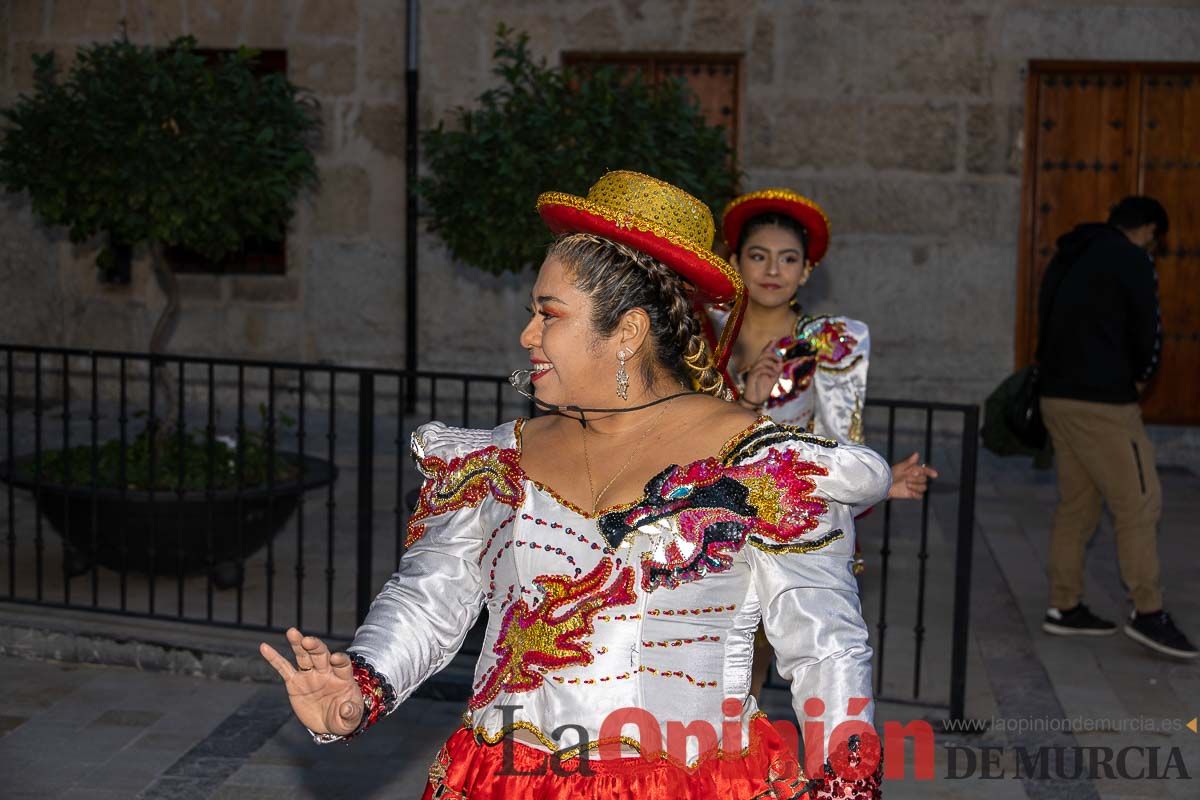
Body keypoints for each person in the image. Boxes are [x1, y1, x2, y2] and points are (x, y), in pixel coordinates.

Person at [260, 171, 891, 797]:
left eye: (548, 314)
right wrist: (358, 689)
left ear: (627, 333)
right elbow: (429, 598)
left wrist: (846, 785)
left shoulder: (761, 467)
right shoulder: (493, 461)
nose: (527, 335)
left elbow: (826, 648)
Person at [711, 188, 939, 696]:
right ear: (734, 261)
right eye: (758, 256)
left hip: (779, 527)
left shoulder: (829, 344)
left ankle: (734, 770)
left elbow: (836, 444)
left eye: (789, 258)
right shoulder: (698, 332)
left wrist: (876, 482)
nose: (773, 269)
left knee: (746, 670)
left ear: (806, 271)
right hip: (694, 515)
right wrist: (745, 403)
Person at [1037, 195, 1197, 660]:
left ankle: (1064, 605)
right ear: (1147, 229)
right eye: (1154, 238)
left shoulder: (1069, 253)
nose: (1153, 246)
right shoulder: (1132, 259)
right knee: (1140, 503)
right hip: (1104, 404)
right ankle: (1148, 612)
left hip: (1056, 398)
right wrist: (1138, 379)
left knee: (1078, 505)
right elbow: (1150, 333)